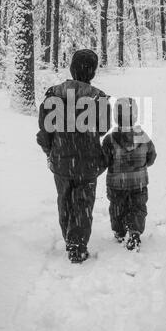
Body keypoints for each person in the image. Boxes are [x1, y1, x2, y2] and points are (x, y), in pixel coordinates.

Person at [37, 50, 111, 264]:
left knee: (64, 200)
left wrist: (50, 151)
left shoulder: (54, 93)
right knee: (83, 203)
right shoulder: (98, 96)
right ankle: (77, 244)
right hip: (88, 161)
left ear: (72, 67)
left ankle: (70, 238)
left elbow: (44, 129)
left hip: (61, 160)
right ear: (93, 72)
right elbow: (103, 128)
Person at [102, 98, 157, 251]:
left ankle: (120, 232)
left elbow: (104, 160)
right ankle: (134, 231)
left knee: (117, 207)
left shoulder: (110, 139)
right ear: (135, 115)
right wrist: (141, 165)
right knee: (138, 207)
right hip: (138, 182)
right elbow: (151, 157)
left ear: (115, 116)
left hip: (116, 184)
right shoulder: (143, 137)